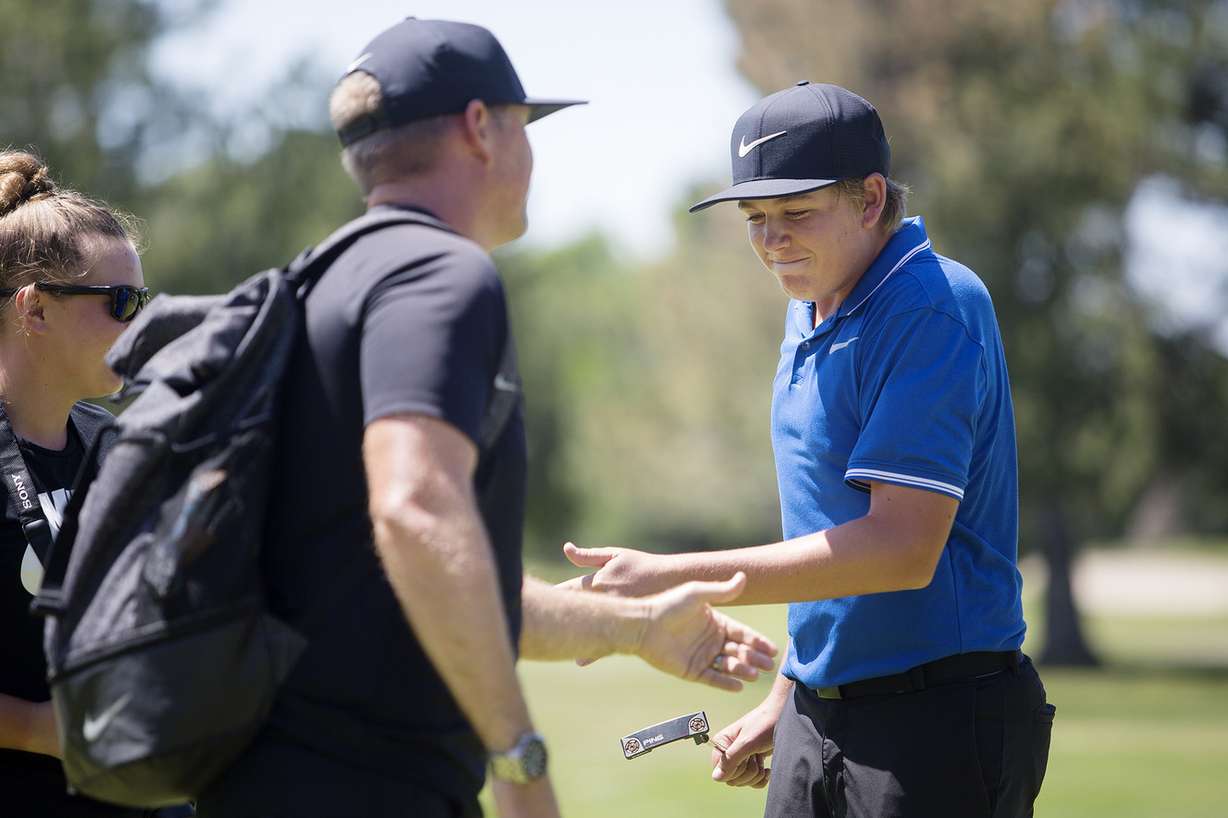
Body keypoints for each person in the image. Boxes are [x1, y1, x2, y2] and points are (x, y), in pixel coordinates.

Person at [195, 18, 776, 818]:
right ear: (479, 128)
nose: (531, 156)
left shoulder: (316, 283)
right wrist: (518, 754)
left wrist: (637, 625)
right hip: (370, 790)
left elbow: (440, 578)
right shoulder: (440, 274)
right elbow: (417, 512)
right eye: (524, 126)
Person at [563, 82, 1055, 818]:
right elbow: (825, 536)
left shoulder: (931, 306)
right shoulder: (810, 308)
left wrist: (669, 578)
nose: (771, 240)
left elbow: (899, 548)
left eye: (795, 213)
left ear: (869, 199)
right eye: (755, 218)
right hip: (820, 715)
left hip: (939, 724)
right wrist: (794, 693)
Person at [0, 151, 151, 816]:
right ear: (33, 312)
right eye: (119, 303)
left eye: (141, 301)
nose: (137, 324)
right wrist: (38, 729)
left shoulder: (119, 447)